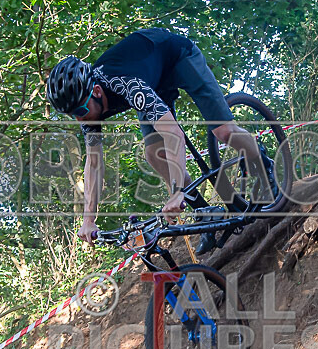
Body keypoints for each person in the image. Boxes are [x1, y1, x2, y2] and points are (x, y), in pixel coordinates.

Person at [45, 28, 274, 254]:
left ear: (96, 91)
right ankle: (205, 213)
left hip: (178, 58)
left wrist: (176, 192)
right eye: (72, 115)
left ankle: (263, 163)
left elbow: (173, 135)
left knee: (224, 132)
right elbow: (94, 164)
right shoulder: (88, 111)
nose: (80, 118)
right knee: (154, 154)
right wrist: (88, 219)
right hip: (151, 80)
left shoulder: (126, 84)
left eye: (81, 110)